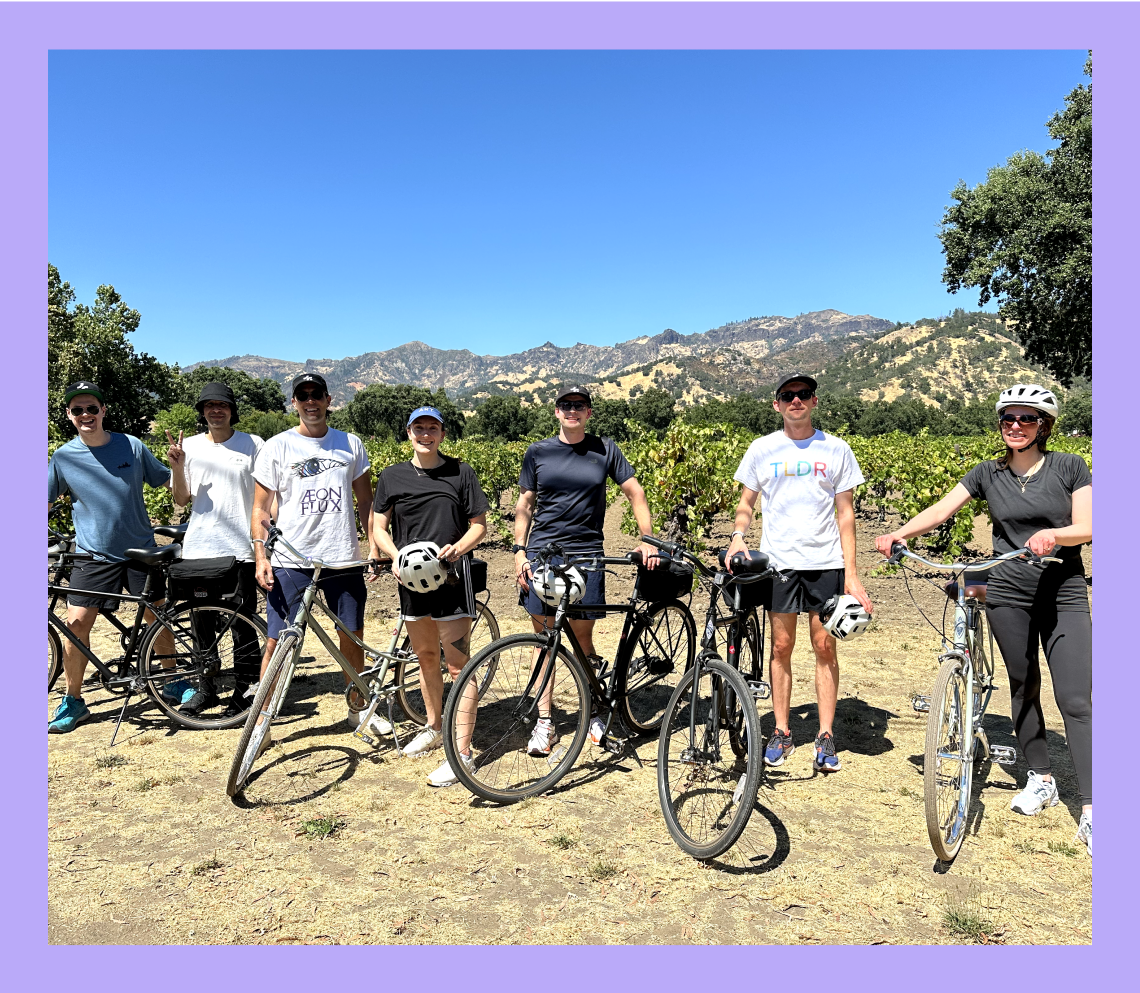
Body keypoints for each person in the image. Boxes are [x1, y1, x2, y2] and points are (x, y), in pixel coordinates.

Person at [875, 384, 1092, 855]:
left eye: (1026, 418)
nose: (1015, 426)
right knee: (1023, 684)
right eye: (1008, 418)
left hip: (1062, 591)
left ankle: (1095, 810)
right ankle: (1041, 779)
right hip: (1007, 589)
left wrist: (1054, 535)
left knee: (1075, 698)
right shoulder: (987, 473)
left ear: (1044, 425)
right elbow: (942, 509)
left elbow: (1088, 526)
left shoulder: (1069, 466)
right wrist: (900, 532)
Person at [727, 372, 873, 774]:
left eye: (803, 394)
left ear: (814, 402)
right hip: (779, 565)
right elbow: (746, 503)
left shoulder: (836, 449)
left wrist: (852, 574)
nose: (796, 401)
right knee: (780, 647)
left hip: (825, 563)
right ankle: (782, 730)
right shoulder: (762, 449)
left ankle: (825, 734)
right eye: (788, 396)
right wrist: (738, 536)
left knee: (825, 646)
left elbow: (846, 514)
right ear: (776, 405)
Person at [513, 385, 659, 756]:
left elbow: (635, 493)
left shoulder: (605, 449)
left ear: (589, 412)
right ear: (556, 411)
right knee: (543, 640)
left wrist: (649, 539)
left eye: (579, 405)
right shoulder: (538, 452)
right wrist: (518, 550)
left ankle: (594, 708)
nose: (572, 411)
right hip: (543, 555)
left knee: (581, 640)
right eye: (566, 405)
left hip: (587, 556)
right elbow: (525, 504)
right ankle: (545, 722)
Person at [249, 373, 381, 748]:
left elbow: (366, 503)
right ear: (294, 403)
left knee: (351, 637)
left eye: (316, 395)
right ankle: (261, 725)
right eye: (302, 396)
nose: (310, 401)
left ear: (327, 399)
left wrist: (372, 547)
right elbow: (260, 508)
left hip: (341, 558)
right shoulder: (276, 448)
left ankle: (358, 710)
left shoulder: (350, 444)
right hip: (291, 558)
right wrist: (261, 554)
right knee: (277, 642)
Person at [47, 381, 174, 733]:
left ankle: (172, 680)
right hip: (92, 555)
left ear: (103, 411)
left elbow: (168, 481)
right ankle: (73, 701)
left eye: (92, 408)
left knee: (155, 616)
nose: (85, 415)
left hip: (141, 550)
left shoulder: (132, 445)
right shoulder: (63, 457)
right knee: (76, 627)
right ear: (70, 416)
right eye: (78, 410)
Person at [372, 406, 488, 785]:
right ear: (408, 433)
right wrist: (393, 555)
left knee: (458, 665)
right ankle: (435, 726)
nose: (425, 434)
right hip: (411, 580)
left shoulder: (461, 472)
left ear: (442, 433)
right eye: (418, 428)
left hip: (452, 579)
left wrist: (458, 548)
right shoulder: (392, 476)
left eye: (432, 428)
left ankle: (463, 753)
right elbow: (378, 525)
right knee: (424, 656)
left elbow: (479, 526)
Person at [165, 382, 265, 715]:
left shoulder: (253, 444)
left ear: (231, 409)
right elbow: (181, 498)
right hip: (199, 549)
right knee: (201, 624)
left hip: (240, 549)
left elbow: (268, 495)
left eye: (221, 405)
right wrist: (178, 467)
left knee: (242, 624)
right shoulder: (188, 447)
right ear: (202, 411)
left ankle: (246, 689)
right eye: (209, 405)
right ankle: (206, 687)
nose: (215, 410)